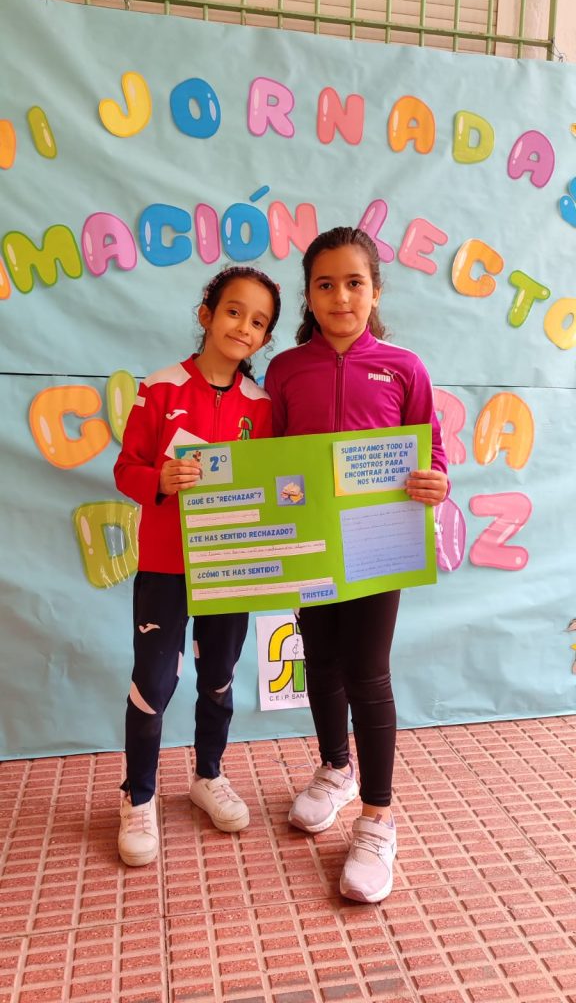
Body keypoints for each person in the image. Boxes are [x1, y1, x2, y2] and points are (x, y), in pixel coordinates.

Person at [265, 227, 448, 903]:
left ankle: (377, 818)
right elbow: (269, 456)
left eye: (354, 283)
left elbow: (432, 453)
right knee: (321, 661)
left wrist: (435, 481)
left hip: (378, 546)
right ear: (308, 296)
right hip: (310, 545)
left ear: (376, 291)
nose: (340, 296)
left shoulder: (404, 367)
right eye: (325, 284)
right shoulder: (286, 370)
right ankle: (335, 768)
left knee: (368, 672)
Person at [114, 265, 280, 866]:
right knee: (154, 681)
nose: (243, 327)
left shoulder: (262, 406)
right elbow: (125, 469)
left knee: (219, 676)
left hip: (231, 566)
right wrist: (158, 479)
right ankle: (138, 795)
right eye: (234, 311)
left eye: (258, 322)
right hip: (166, 565)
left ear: (264, 338)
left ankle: (208, 774)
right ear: (206, 313)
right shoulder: (160, 388)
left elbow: (273, 485)